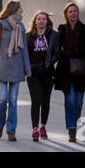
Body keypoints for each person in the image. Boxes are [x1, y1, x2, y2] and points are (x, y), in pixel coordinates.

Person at [0, 0, 31, 142]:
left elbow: (24, 50)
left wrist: (27, 67)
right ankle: (0, 125)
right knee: (3, 99)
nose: (22, 10)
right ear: (14, 9)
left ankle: (11, 130)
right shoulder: (0, 24)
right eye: (20, 7)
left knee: (13, 101)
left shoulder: (21, 26)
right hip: (1, 67)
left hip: (17, 68)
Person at [55, 3, 85, 143]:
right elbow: (57, 48)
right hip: (66, 68)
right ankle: (71, 129)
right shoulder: (61, 29)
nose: (73, 13)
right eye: (70, 11)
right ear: (66, 14)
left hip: (81, 68)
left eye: (75, 11)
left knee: (78, 102)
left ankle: (74, 124)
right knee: (70, 100)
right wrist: (63, 54)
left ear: (78, 13)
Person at [26, 11, 60, 141]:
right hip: (33, 73)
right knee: (36, 100)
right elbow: (25, 55)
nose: (41, 21)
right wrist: (29, 67)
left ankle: (43, 127)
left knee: (45, 101)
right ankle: (34, 128)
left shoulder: (54, 35)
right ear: (35, 21)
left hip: (48, 72)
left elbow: (57, 53)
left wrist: (47, 64)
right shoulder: (28, 36)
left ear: (47, 21)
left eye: (43, 19)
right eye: (39, 19)